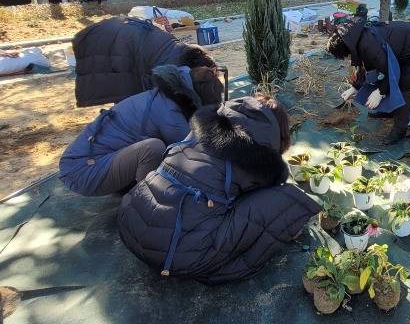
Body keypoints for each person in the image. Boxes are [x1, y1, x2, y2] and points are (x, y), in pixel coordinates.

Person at [117, 96, 321, 284]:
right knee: (286, 197)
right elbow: (264, 193)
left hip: (131, 221)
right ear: (276, 132)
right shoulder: (257, 157)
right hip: (175, 253)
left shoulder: (202, 129)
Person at [59, 64, 223, 196]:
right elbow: (194, 151)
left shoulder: (170, 92)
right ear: (199, 93)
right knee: (153, 148)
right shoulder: (168, 110)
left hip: (92, 161)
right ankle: (147, 201)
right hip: (84, 171)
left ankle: (129, 185)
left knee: (158, 151)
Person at [328, 19, 410, 145]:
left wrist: (380, 92)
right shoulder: (358, 38)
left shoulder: (369, 45)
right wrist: (355, 87)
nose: (345, 59)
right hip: (405, 50)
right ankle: (390, 111)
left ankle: (400, 131)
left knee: (403, 86)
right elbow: (366, 67)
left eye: (344, 56)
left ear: (346, 48)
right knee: (387, 84)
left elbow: (392, 72)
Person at [72, 16, 217, 107]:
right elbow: (156, 92)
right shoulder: (173, 65)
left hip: (124, 35)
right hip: (112, 41)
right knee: (124, 87)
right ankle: (123, 115)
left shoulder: (183, 51)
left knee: (129, 87)